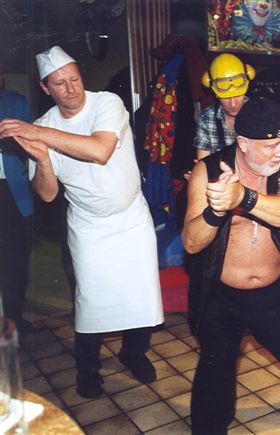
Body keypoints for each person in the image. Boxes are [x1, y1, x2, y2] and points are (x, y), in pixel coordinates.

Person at [0, 46, 164, 398]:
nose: (71, 88)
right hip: (88, 226)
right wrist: (44, 160)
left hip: (131, 217)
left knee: (141, 294)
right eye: (59, 83)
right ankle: (88, 369)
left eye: (74, 78)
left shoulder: (107, 103)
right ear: (45, 88)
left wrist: (38, 135)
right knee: (91, 302)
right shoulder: (44, 126)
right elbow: (46, 194)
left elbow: (99, 150)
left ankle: (134, 354)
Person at [183, 97, 280, 433]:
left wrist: (243, 197)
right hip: (222, 295)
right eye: (271, 145)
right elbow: (192, 243)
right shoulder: (207, 171)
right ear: (242, 143)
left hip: (276, 290)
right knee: (215, 371)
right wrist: (216, 210)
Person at [0, 67, 33, 333]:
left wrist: (15, 144)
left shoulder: (16, 103)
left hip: (11, 191)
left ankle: (14, 317)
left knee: (15, 259)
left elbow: (33, 146)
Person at [193, 53, 254, 160]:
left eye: (238, 95)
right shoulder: (207, 118)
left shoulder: (259, 114)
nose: (233, 104)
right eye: (226, 97)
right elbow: (203, 161)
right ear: (216, 94)